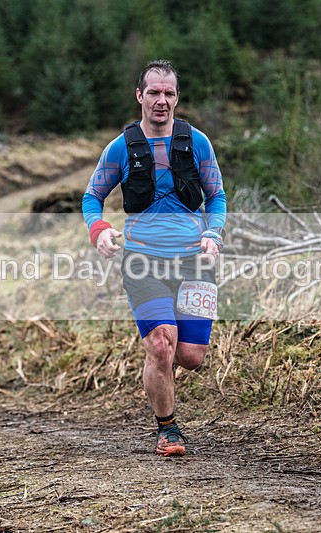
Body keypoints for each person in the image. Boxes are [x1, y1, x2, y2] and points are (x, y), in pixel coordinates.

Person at [82, 60, 227, 457]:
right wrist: (99, 231)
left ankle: (155, 372)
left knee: (190, 356)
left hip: (194, 259)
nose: (161, 100)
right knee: (162, 345)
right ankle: (168, 429)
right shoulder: (121, 147)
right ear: (139, 96)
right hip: (142, 260)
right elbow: (91, 197)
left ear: (177, 97)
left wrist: (213, 234)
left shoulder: (197, 142)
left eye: (169, 93)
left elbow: (216, 196)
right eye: (153, 92)